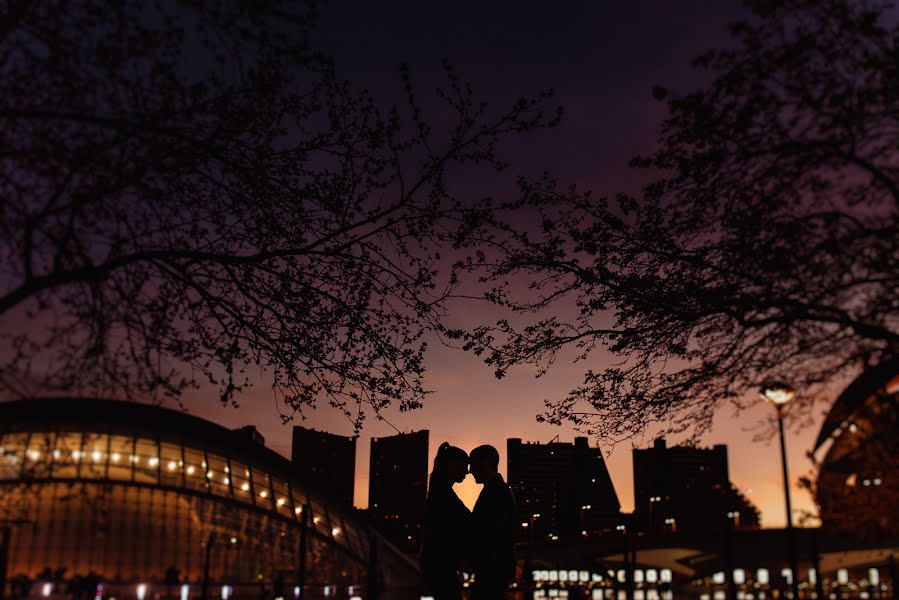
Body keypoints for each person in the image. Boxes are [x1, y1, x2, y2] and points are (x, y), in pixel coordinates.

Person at [421, 442, 471, 600]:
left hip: (439, 563)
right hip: (441, 564)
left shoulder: (439, 491)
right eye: (465, 466)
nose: (468, 472)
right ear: (453, 465)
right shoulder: (443, 495)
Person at [469, 444, 517, 600]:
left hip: (491, 568)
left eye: (473, 464)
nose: (470, 470)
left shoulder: (495, 492)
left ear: (485, 462)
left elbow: (489, 531)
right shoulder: (498, 489)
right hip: (494, 567)